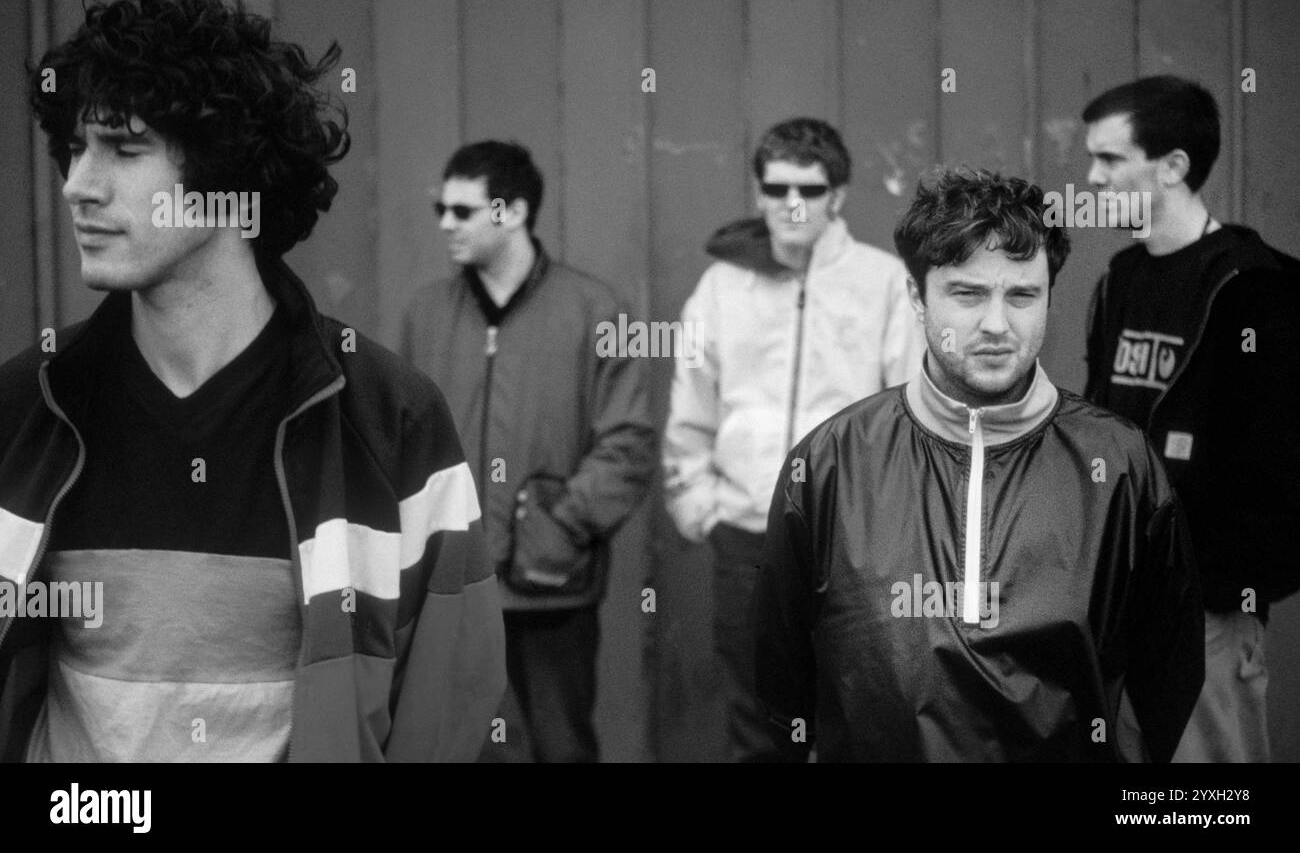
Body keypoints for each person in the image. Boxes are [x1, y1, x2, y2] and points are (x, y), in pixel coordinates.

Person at [0, 0, 505, 762]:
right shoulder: (24, 406)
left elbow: (448, 710)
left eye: (125, 150)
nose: (77, 185)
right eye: (74, 149)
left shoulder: (389, 419)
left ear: (230, 182)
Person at [753, 167, 1204, 762]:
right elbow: (783, 682)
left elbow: (1165, 681)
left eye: (1022, 294)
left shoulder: (1117, 465)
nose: (997, 324)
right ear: (917, 298)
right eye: (967, 294)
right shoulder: (831, 462)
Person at [662, 117, 923, 761]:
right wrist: (700, 507)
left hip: (849, 547)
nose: (792, 205)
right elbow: (689, 409)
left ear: (838, 195)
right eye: (776, 189)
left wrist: (888, 531)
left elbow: (911, 416)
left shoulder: (886, 282)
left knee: (852, 716)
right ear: (758, 192)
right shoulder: (724, 286)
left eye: (809, 188)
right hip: (746, 539)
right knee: (756, 720)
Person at [401, 140, 655, 763]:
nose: (445, 224)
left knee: (559, 747)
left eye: (462, 210)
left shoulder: (594, 310)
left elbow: (628, 444)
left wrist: (557, 525)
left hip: (550, 586)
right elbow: (395, 441)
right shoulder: (427, 314)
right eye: (442, 208)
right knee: (463, 749)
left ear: (510, 212)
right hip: (451, 588)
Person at [1082, 75, 1300, 762]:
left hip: (1205, 615)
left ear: (1173, 166)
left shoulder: (1256, 288)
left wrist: (1212, 586)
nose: (1090, 179)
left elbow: (1281, 469)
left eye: (1110, 160)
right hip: (1120, 608)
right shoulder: (1121, 277)